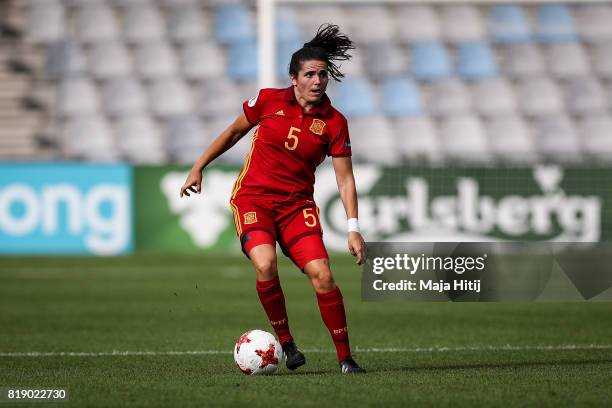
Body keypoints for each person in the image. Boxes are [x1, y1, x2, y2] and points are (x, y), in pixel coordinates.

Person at [180, 24, 366, 374]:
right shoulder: (268, 100)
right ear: (293, 78)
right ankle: (287, 342)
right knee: (265, 263)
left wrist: (353, 228)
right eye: (309, 74)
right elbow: (234, 132)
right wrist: (198, 167)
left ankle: (346, 358)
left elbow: (345, 178)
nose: (317, 81)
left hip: (296, 206)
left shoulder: (334, 123)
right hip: (253, 200)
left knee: (323, 275)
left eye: (323, 75)